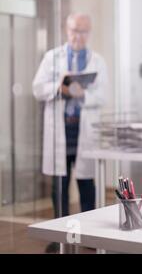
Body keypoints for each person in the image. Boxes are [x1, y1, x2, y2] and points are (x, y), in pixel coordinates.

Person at [32, 13, 108, 252]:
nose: (79, 36)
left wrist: (82, 93)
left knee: (87, 185)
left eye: (84, 31)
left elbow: (103, 95)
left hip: (83, 132)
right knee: (60, 187)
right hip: (60, 132)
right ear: (67, 30)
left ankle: (88, 237)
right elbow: (37, 89)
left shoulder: (98, 61)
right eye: (75, 30)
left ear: (90, 33)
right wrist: (60, 87)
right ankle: (60, 237)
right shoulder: (52, 57)